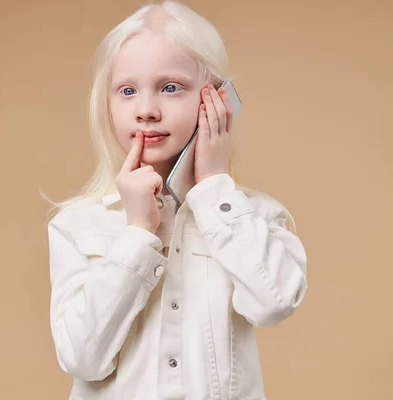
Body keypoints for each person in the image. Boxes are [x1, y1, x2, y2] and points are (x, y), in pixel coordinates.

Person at [43, 1, 308, 398]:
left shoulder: (253, 216)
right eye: (127, 91)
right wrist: (137, 233)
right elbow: (82, 358)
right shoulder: (76, 226)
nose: (146, 110)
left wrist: (215, 185)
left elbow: (275, 302)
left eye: (170, 88)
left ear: (216, 101)